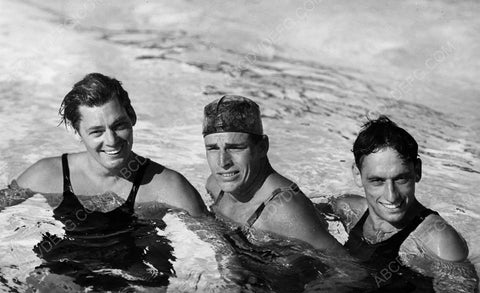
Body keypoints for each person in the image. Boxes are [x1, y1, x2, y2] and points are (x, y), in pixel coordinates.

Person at [14, 72, 206, 229]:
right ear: (76, 133)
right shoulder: (47, 175)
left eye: (119, 126)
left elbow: (218, 246)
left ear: (132, 117)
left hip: (138, 274)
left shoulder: (168, 186)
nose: (111, 140)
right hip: (62, 273)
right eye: (97, 132)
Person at [203, 94, 340, 251]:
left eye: (235, 147)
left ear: (262, 147)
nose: (222, 162)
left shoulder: (284, 211)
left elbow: (351, 271)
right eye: (213, 148)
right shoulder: (215, 185)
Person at [330, 115, 469, 263]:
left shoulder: (438, 241)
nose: (391, 196)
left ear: (417, 171)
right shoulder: (348, 209)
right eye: (377, 181)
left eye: (401, 179)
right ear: (358, 175)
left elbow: (463, 286)